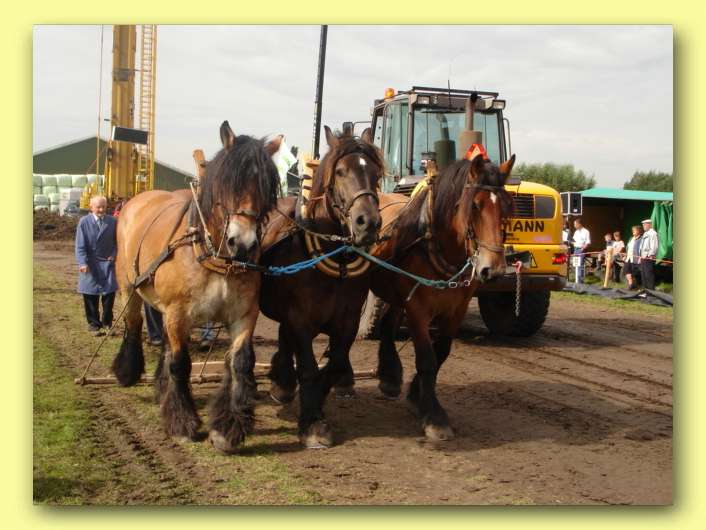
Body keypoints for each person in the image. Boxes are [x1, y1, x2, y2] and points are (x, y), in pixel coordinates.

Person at [75, 195, 118, 336]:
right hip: (90, 263)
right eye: (98, 207)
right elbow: (80, 245)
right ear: (91, 207)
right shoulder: (84, 222)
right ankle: (93, 324)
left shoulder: (113, 222)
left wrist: (114, 254)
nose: (101, 210)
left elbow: (118, 242)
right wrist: (82, 262)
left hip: (108, 263)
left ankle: (107, 323)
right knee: (90, 294)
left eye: (103, 207)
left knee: (109, 294)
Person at [640, 218, 659, 291]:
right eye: (643, 225)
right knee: (643, 274)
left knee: (649, 274)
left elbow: (654, 245)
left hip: (648, 257)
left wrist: (651, 255)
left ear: (649, 225)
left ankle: (651, 291)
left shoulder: (653, 233)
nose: (643, 226)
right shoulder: (645, 233)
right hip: (643, 256)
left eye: (645, 225)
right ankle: (645, 290)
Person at [571, 218, 591, 283]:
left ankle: (580, 281)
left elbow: (588, 242)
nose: (574, 226)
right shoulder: (576, 232)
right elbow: (573, 240)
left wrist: (583, 249)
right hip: (575, 249)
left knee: (580, 265)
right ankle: (577, 279)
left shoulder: (586, 231)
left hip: (581, 250)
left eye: (575, 224)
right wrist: (570, 241)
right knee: (576, 264)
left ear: (579, 224)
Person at [624, 225, 643, 290]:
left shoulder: (641, 239)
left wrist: (640, 257)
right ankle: (631, 283)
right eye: (633, 230)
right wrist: (626, 255)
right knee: (626, 270)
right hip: (629, 257)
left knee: (636, 273)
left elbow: (641, 249)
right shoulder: (631, 238)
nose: (633, 231)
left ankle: (637, 286)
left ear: (639, 231)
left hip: (636, 258)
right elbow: (628, 248)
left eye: (634, 230)